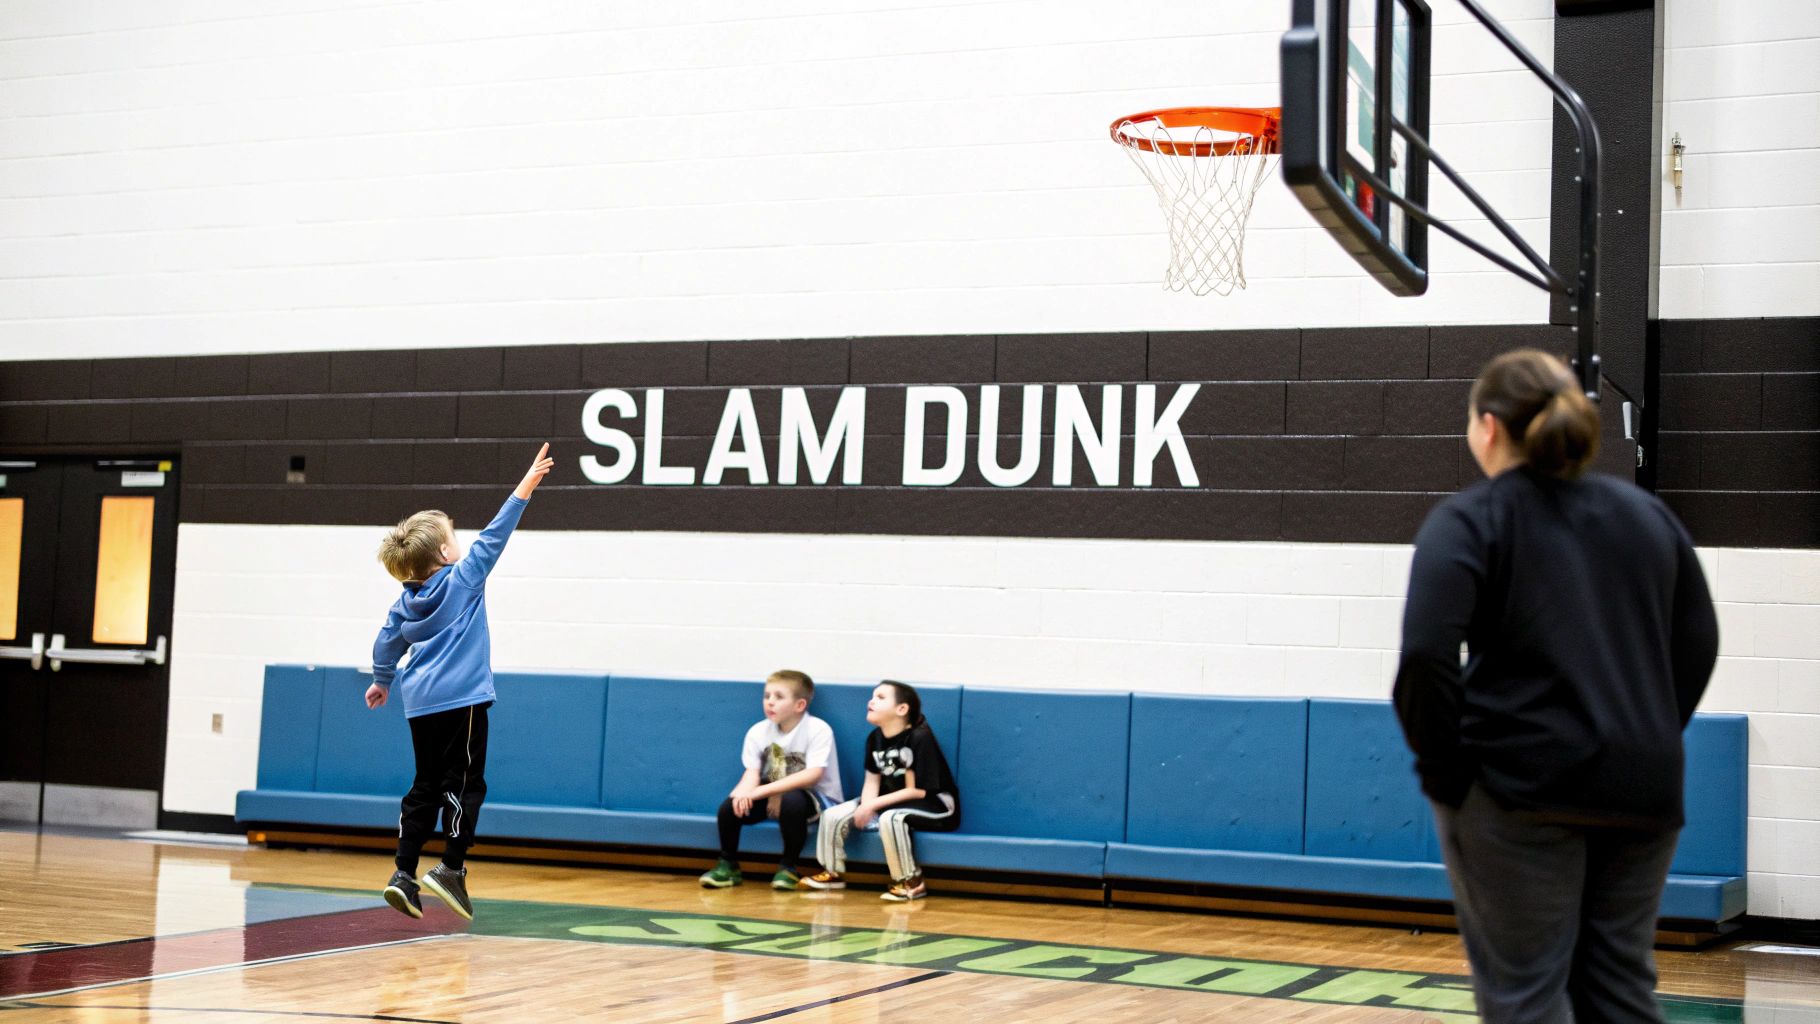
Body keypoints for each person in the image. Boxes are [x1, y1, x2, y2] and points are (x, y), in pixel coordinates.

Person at [1394, 350, 1718, 1023]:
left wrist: (1446, 772)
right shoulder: (1648, 518)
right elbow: (1700, 640)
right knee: (1620, 992)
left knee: (1526, 997)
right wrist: (1643, 731)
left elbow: (1427, 653)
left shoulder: (1470, 518)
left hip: (1518, 791)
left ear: (1488, 428)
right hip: (1641, 788)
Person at [367, 442, 555, 921]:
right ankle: (451, 867)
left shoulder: (404, 603)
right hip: (462, 700)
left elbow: (387, 643)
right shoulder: (463, 578)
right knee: (464, 783)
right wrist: (526, 485)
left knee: (424, 785)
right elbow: (497, 534)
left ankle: (403, 874)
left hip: (419, 703)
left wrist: (382, 681)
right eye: (456, 537)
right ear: (447, 551)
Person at [803, 681, 959, 901]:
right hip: (890, 800)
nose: (871, 701)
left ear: (902, 709)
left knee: (891, 818)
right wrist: (867, 806)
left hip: (935, 803)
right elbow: (872, 782)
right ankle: (833, 873)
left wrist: (874, 806)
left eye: (880, 697)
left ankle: (912, 881)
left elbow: (916, 791)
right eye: (872, 696)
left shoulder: (919, 737)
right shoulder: (874, 738)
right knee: (833, 815)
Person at [699, 669, 843, 891]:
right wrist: (742, 794)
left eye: (779, 697)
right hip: (770, 794)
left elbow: (812, 775)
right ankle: (728, 864)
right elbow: (752, 773)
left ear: (800, 705)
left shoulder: (818, 729)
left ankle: (788, 867)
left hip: (816, 799)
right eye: (767, 696)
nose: (770, 702)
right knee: (729, 807)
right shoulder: (758, 731)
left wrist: (762, 793)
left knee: (793, 800)